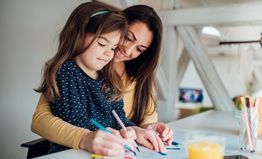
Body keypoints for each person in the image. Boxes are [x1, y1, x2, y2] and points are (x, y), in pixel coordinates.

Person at [32, 3, 173, 156]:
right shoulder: (69, 71)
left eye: (140, 49)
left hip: (111, 150)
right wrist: (95, 136)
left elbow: (119, 116)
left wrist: (137, 130)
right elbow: (47, 120)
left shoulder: (113, 77)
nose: (127, 50)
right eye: (127, 38)